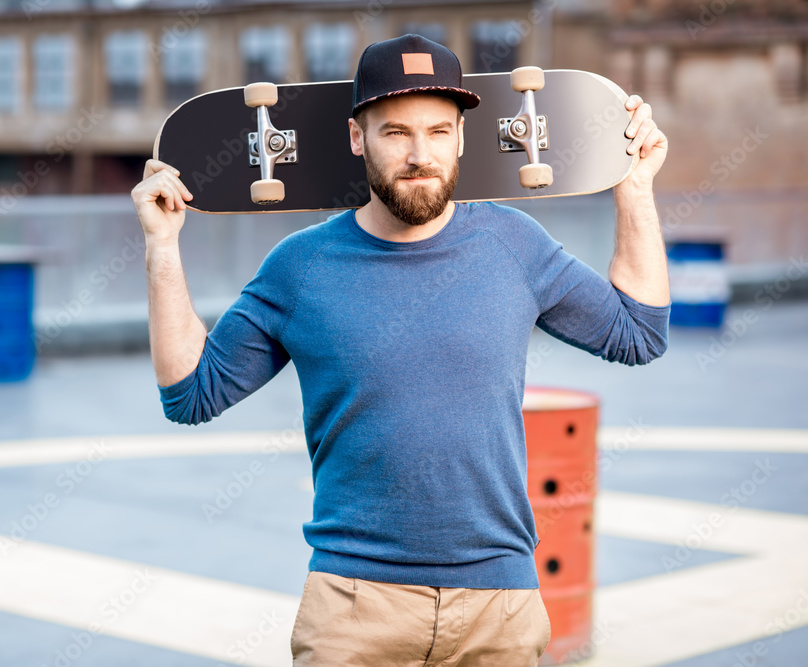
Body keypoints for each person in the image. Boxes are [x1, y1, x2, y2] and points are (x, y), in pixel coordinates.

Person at [131, 34, 669, 667]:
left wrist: (634, 190)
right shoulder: (301, 267)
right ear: (357, 137)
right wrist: (162, 248)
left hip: (499, 605)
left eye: (439, 132)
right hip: (355, 610)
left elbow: (639, 332)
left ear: (462, 137)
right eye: (395, 133)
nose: (420, 155)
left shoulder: (514, 244)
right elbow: (190, 394)